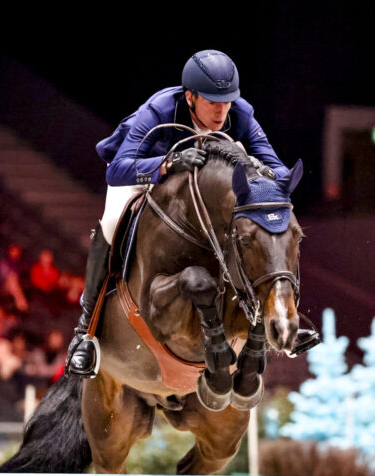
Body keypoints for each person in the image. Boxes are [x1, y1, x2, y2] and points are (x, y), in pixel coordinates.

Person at [65, 49, 315, 378]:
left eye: (226, 101)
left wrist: (271, 181)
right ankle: (86, 333)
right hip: (145, 169)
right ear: (190, 97)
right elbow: (119, 171)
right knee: (111, 224)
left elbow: (274, 163)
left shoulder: (239, 114)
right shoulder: (161, 110)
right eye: (213, 101)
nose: (221, 110)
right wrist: (166, 164)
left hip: (204, 183)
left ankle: (279, 311)